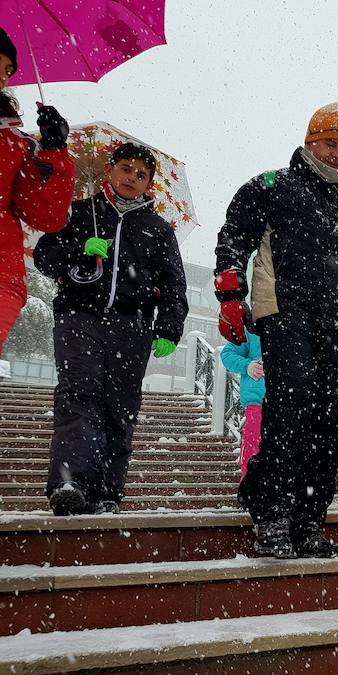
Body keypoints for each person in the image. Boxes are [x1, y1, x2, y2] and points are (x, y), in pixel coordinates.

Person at [214, 102, 338, 559]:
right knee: (291, 408)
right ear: (310, 141)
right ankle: (271, 514)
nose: (336, 154)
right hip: (284, 311)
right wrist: (230, 295)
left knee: (331, 424)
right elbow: (233, 235)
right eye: (329, 143)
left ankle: (308, 521)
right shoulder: (272, 186)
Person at [33, 142, 188, 515]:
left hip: (131, 326)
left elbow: (174, 284)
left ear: (149, 184)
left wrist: (169, 328)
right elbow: (44, 256)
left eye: (141, 175)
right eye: (126, 169)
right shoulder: (79, 213)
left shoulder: (158, 230)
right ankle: (70, 482)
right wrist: (78, 250)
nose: (132, 178)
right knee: (79, 395)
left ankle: (107, 490)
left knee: (120, 405)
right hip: (79, 316)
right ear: (110, 170)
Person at [0, 27, 75, 378]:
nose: (2, 77)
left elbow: (46, 216)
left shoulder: (15, 143)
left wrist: (55, 153)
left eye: (7, 71)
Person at [220, 330, 265, 480]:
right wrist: (247, 365)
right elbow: (227, 354)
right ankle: (251, 492)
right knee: (253, 450)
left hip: (291, 403)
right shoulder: (254, 328)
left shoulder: (299, 321)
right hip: (258, 402)